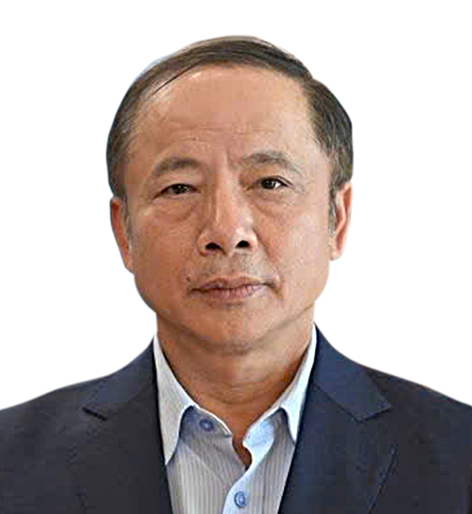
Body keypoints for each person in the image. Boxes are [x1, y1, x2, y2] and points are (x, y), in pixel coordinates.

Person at [0, 36, 471, 513]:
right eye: (179, 188)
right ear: (124, 232)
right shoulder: (11, 464)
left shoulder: (459, 459)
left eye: (270, 183)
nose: (226, 232)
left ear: (337, 219)